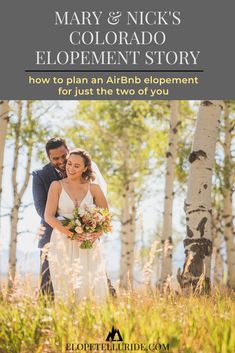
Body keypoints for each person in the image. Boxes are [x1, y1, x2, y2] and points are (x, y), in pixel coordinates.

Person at [32, 137, 115, 298]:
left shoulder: (92, 185)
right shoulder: (41, 176)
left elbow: (104, 214)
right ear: (49, 158)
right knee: (49, 290)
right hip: (54, 238)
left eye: (64, 156)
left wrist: (90, 229)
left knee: (97, 284)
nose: (63, 162)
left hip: (87, 239)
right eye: (56, 158)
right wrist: (72, 228)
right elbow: (43, 210)